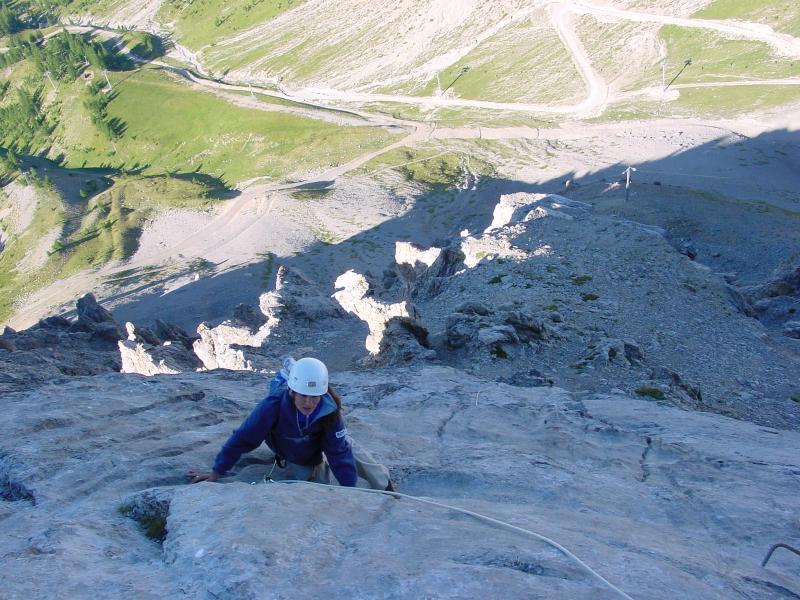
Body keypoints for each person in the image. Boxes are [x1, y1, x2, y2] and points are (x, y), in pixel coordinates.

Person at [188, 357, 395, 490]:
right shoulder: (273, 406)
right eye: (303, 396)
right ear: (292, 392)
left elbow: (338, 453)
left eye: (314, 397)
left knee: (347, 448)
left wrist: (349, 490)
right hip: (296, 451)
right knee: (317, 490)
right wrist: (217, 472)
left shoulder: (329, 410)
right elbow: (243, 438)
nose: (308, 402)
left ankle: (385, 486)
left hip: (321, 439)